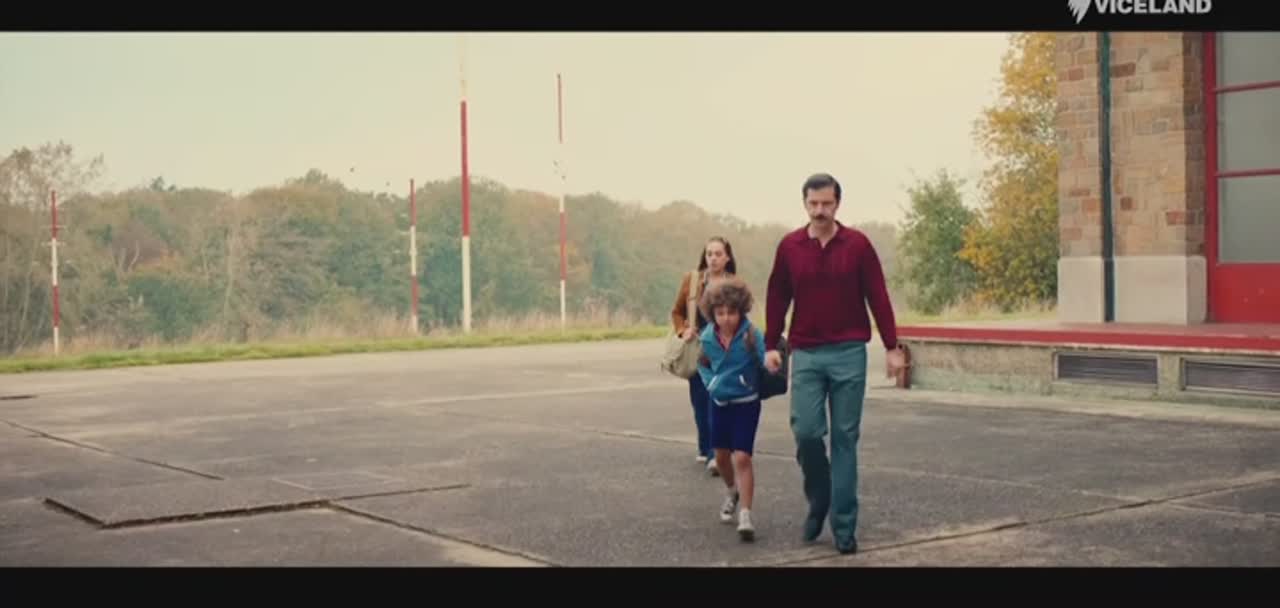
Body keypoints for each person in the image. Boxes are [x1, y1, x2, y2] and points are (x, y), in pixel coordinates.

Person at [763, 172, 906, 555]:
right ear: (804, 204)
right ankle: (819, 498)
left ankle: (844, 526)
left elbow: (878, 295)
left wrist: (892, 346)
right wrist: (771, 343)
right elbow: (777, 296)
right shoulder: (790, 247)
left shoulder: (857, 245)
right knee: (807, 433)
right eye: (813, 203)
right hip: (807, 353)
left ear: (837, 204)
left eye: (826, 203)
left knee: (844, 439)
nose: (819, 210)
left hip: (848, 353)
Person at [695, 276, 765, 542]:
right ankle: (731, 490)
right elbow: (702, 364)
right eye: (720, 313)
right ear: (712, 314)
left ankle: (745, 514)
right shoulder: (707, 338)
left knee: (742, 457)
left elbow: (765, 356)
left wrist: (771, 363)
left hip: (747, 403)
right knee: (721, 458)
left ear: (741, 310)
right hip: (720, 404)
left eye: (732, 312)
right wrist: (711, 384)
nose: (726, 318)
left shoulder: (751, 334)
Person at [671, 236, 737, 476]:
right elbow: (677, 312)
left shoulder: (734, 284)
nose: (713, 258)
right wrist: (683, 330)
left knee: (717, 399)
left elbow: (742, 315)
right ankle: (704, 445)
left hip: (724, 350)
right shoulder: (693, 280)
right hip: (698, 349)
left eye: (718, 254)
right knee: (700, 401)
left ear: (727, 257)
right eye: (709, 254)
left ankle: (714, 453)